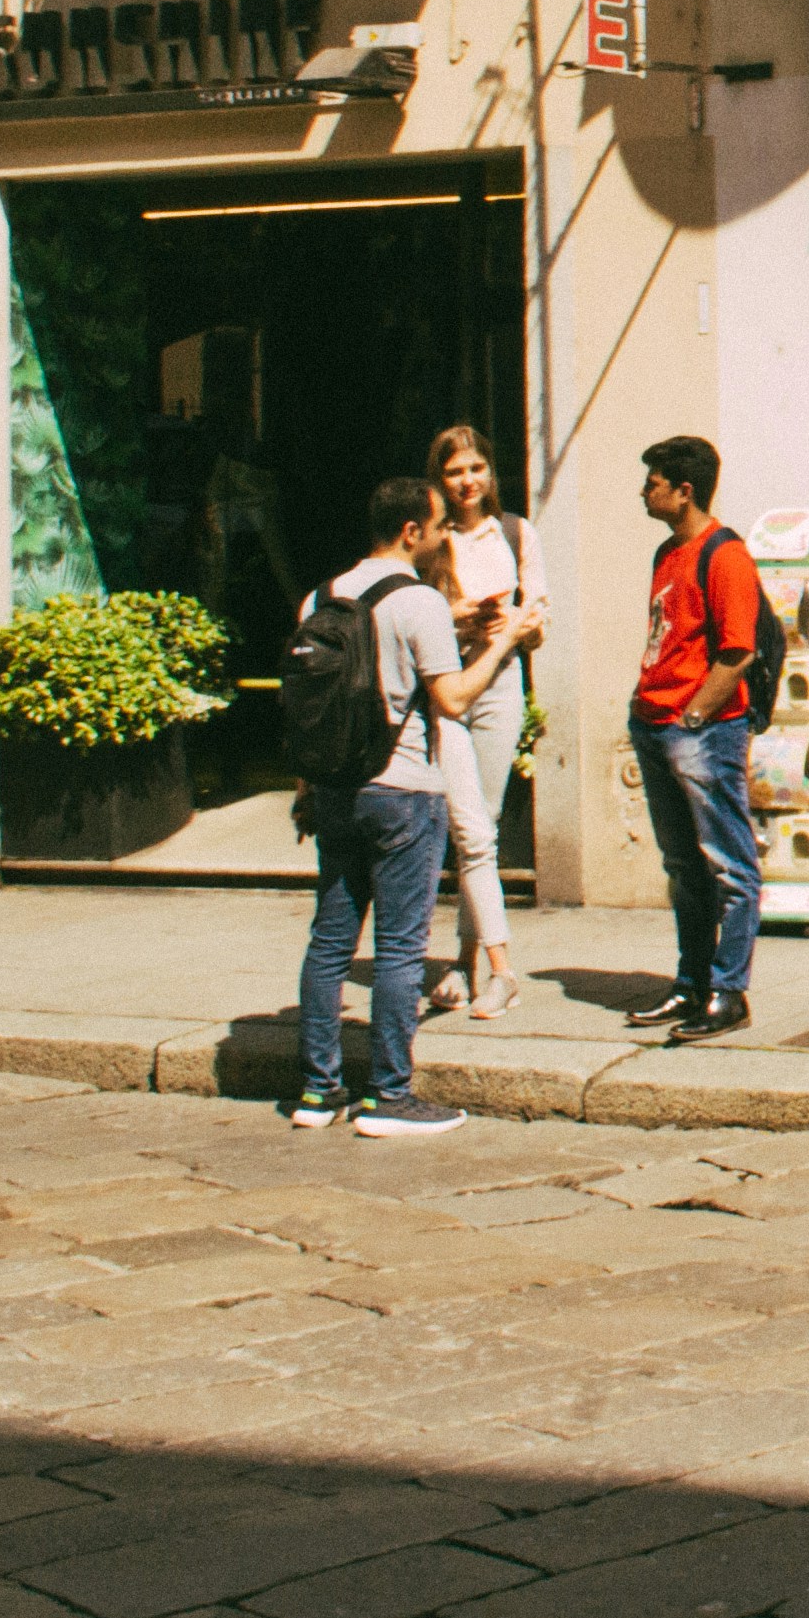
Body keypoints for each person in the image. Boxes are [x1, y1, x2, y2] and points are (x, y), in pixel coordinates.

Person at [290, 474, 471, 1137]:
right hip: (403, 791)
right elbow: (450, 699)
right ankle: (390, 1096)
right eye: (441, 523)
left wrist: (307, 789)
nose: (446, 533)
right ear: (412, 530)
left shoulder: (320, 595)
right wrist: (509, 642)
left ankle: (319, 1091)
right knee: (400, 947)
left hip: (336, 787)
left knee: (331, 938)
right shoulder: (419, 602)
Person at [627, 434, 764, 1039]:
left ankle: (729, 992)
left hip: (701, 729)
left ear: (684, 491)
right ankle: (691, 985)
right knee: (683, 866)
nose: (643, 491)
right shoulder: (666, 552)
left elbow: (737, 651)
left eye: (653, 482)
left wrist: (692, 718)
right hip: (654, 723)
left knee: (729, 866)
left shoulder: (726, 554)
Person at [423, 423, 548, 1020]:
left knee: (486, 823)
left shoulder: (517, 533)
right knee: (468, 831)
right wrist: (459, 620)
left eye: (476, 469)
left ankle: (464, 960)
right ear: (439, 480)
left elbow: (540, 625)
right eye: (454, 472)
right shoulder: (429, 542)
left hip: (499, 687)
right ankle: (494, 971)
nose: (467, 482)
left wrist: (516, 627)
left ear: (490, 473)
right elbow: (415, 620)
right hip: (448, 689)